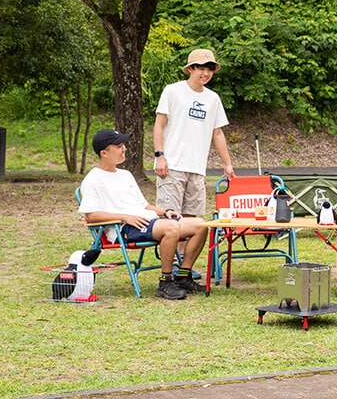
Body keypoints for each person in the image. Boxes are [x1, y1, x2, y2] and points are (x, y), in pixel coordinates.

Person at [78, 129, 208, 300]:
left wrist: (164, 212)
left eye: (123, 145)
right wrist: (125, 217)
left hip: (147, 221)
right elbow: (92, 215)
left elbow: (143, 205)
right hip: (124, 228)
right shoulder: (93, 179)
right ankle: (165, 282)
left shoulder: (125, 175)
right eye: (119, 146)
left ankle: (183, 276)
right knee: (171, 228)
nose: (124, 149)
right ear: (104, 153)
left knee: (200, 225)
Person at [153, 48, 234, 274]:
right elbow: (159, 124)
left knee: (191, 220)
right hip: (172, 166)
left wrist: (227, 163)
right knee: (171, 219)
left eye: (210, 69)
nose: (205, 73)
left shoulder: (213, 98)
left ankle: (184, 269)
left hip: (197, 169)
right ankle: (171, 265)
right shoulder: (173, 91)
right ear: (191, 69)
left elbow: (218, 133)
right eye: (201, 68)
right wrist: (159, 156)